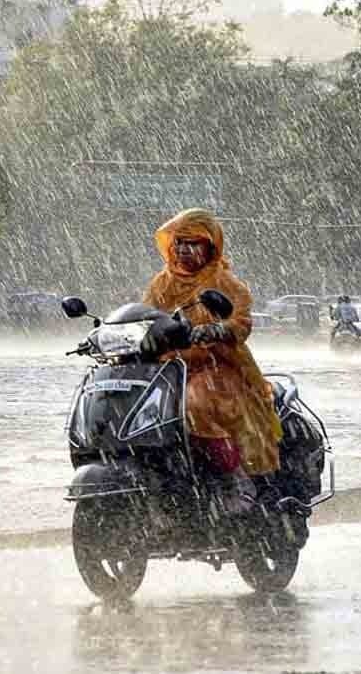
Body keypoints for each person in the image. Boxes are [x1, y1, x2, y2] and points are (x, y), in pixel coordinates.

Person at [143, 208, 283, 513]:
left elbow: (241, 322)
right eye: (179, 242)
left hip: (216, 364)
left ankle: (236, 478)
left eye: (193, 243)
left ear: (211, 247)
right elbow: (145, 317)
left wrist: (219, 329)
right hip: (168, 367)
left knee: (196, 404)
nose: (184, 250)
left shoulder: (226, 283)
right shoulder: (160, 284)